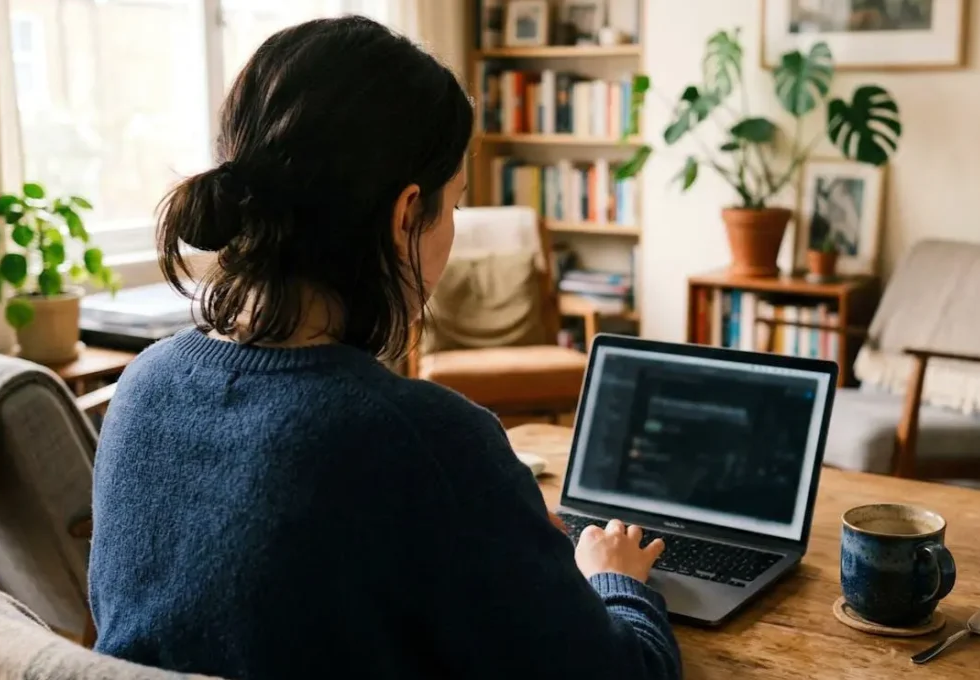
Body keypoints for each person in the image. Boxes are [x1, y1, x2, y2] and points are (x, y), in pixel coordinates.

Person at [88, 16, 681, 680]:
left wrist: (491, 517)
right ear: (406, 215)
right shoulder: (425, 440)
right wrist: (617, 581)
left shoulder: (141, 388)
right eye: (453, 206)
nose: (452, 231)